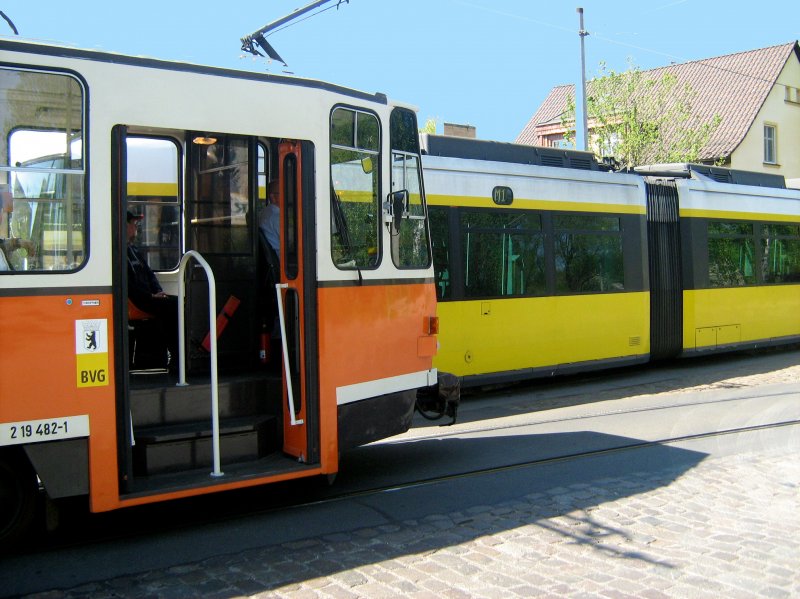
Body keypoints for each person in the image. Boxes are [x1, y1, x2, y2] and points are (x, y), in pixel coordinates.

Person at [127, 210, 179, 368]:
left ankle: (181, 354)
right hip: (137, 300)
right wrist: (151, 296)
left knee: (180, 302)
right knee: (172, 307)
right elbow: (129, 286)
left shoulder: (133, 250)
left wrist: (158, 291)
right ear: (124, 226)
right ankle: (177, 358)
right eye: (134, 224)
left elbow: (150, 274)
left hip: (147, 297)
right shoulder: (118, 253)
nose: (136, 228)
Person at [258, 180, 280, 253]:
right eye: (282, 193)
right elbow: (290, 242)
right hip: (281, 258)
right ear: (272, 196)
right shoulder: (276, 217)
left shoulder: (264, 212)